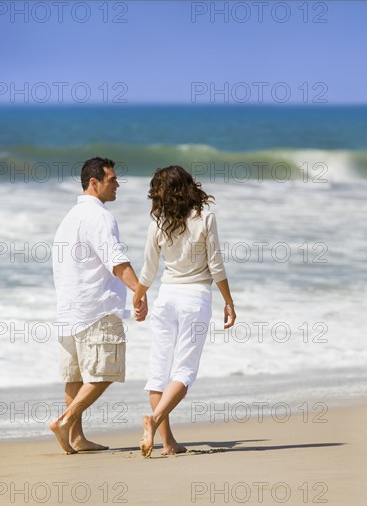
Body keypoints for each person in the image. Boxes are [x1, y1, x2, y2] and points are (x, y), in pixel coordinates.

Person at [133, 165, 235, 458]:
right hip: (195, 299)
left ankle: (167, 443)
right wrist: (228, 301)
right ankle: (152, 421)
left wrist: (138, 298)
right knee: (184, 372)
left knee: (158, 373)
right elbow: (216, 265)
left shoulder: (158, 223)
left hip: (166, 299)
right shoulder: (204, 218)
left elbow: (148, 270)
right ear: (189, 186)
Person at [50, 157, 148, 454]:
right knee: (105, 373)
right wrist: (138, 290)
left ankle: (77, 437)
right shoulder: (99, 216)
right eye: (112, 180)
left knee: (75, 377)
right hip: (96, 308)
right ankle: (66, 421)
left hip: (68, 310)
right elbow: (115, 258)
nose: (117, 184)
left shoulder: (70, 217)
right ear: (93, 183)